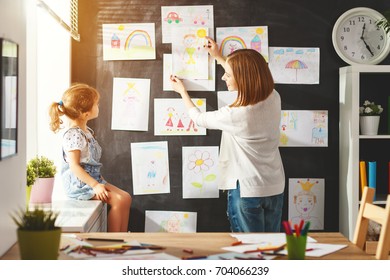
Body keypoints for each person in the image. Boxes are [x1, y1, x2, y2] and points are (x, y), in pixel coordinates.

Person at [170, 37, 285, 232]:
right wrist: (219, 57)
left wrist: (182, 92)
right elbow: (248, 75)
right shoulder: (273, 97)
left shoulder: (236, 115)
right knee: (270, 248)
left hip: (247, 191)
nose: (224, 78)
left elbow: (198, 118)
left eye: (228, 75)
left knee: (250, 252)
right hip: (274, 187)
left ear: (241, 78)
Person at [49, 83, 132, 232]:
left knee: (125, 197)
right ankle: (113, 241)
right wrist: (95, 185)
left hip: (94, 180)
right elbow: (74, 166)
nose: (99, 106)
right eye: (96, 104)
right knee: (118, 201)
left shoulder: (86, 131)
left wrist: (98, 182)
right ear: (85, 113)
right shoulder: (74, 135)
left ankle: (123, 237)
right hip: (80, 186)